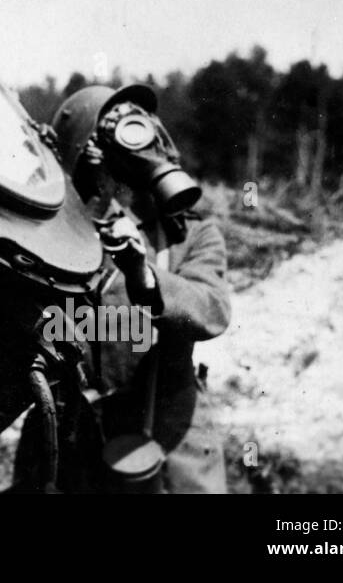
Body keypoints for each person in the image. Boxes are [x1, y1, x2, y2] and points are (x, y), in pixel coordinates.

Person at [42, 83, 231, 493]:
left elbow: (212, 311)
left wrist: (143, 274)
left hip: (169, 431)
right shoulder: (54, 236)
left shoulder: (190, 236)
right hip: (74, 433)